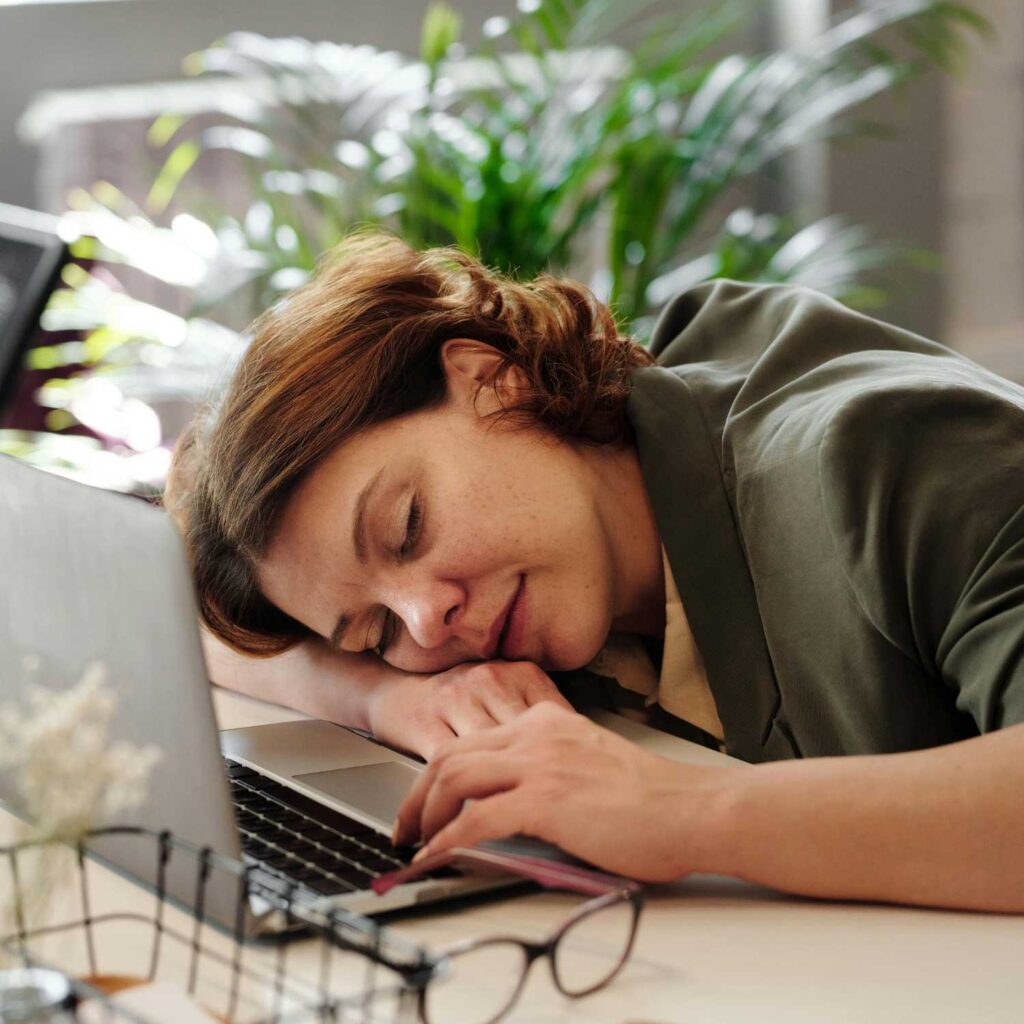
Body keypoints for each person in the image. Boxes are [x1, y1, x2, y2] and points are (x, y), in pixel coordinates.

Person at [166, 228, 1024, 913]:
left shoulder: (889, 460)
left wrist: (678, 812)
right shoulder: (582, 519)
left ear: (486, 379)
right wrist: (393, 697)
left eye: (407, 528)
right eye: (374, 630)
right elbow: (189, 624)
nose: (428, 621)